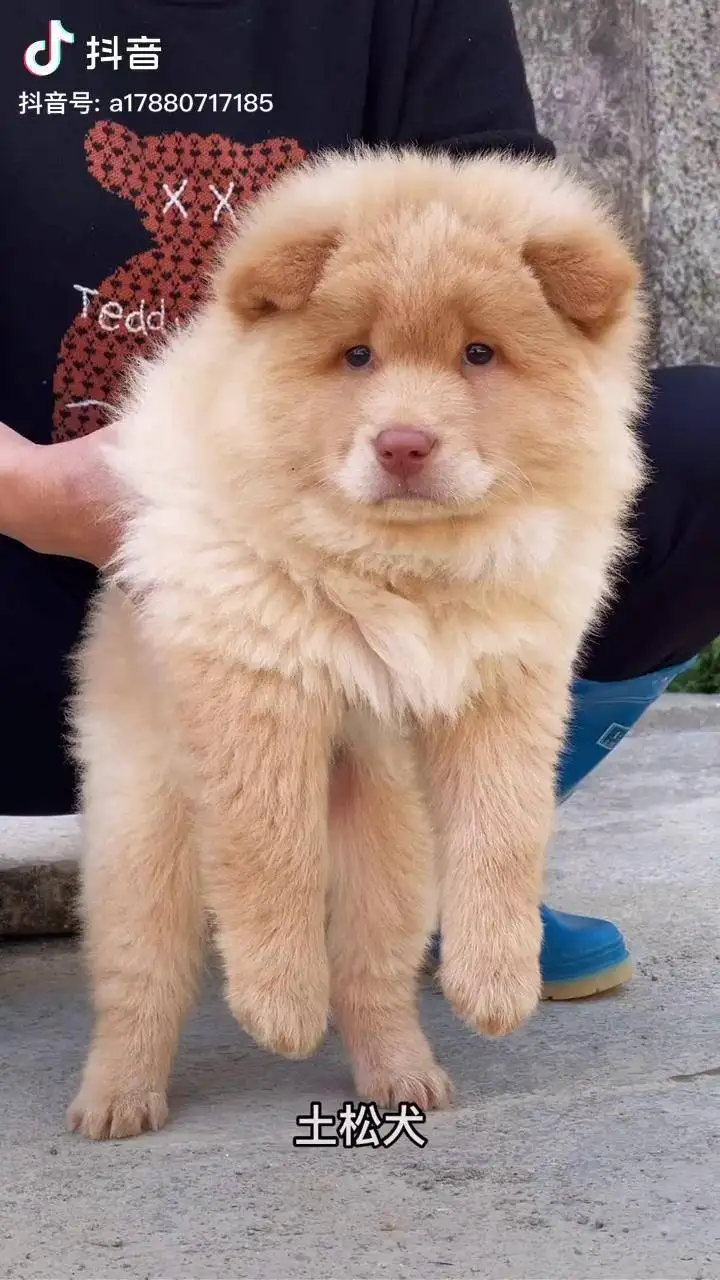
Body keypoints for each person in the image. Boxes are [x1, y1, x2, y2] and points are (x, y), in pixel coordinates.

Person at [2, 0, 718, 997]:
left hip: (345, 569)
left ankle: (423, 872)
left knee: (698, 448)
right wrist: (35, 490)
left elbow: (528, 272)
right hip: (26, 583)